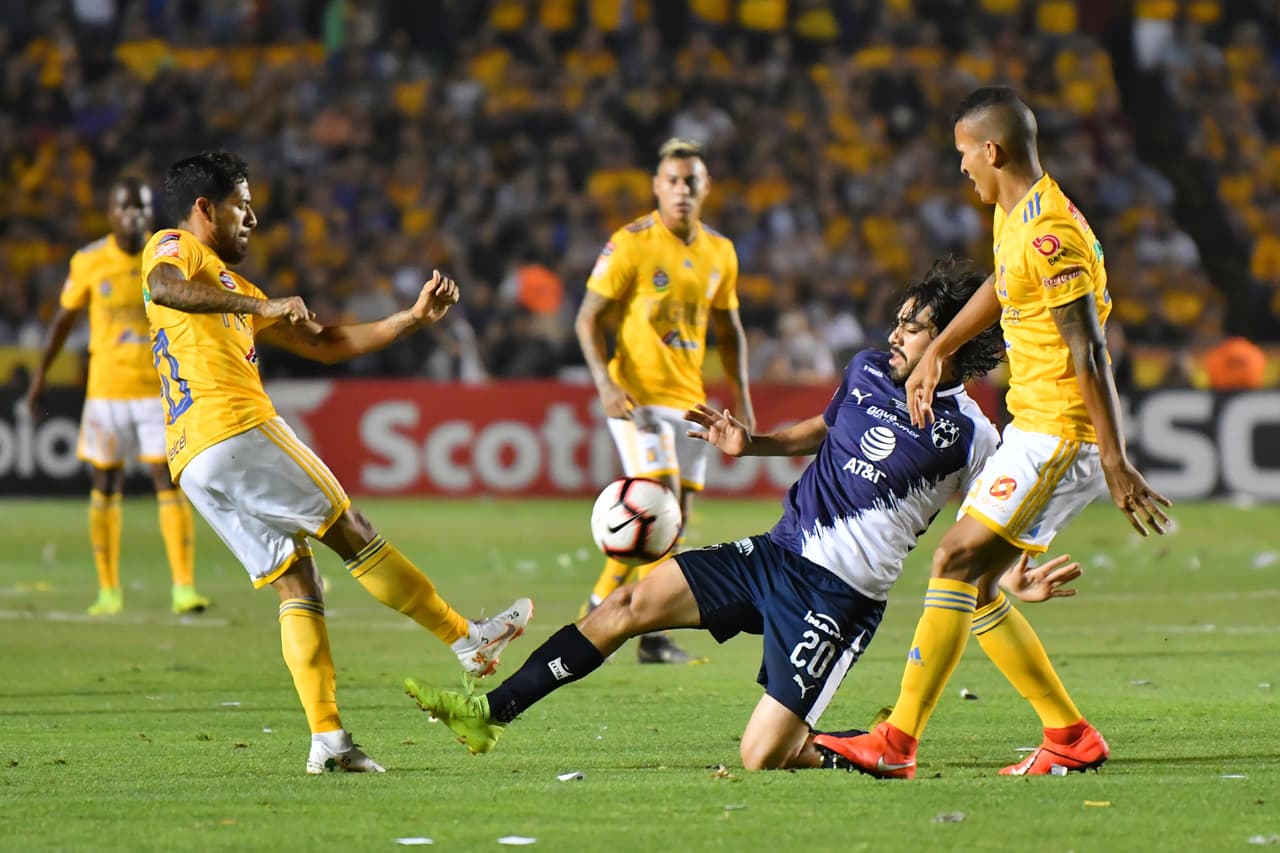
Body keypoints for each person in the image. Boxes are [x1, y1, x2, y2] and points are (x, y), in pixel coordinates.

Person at [403, 259, 1082, 770]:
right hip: (776, 554)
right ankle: (488, 714)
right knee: (626, 604)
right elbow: (822, 428)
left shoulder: (972, 434)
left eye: (913, 323)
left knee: (763, 755)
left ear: (951, 339)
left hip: (839, 599)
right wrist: (750, 443)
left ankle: (841, 747)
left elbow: (982, 528)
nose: (895, 332)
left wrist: (1016, 573)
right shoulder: (868, 369)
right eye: (900, 319)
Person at [815, 87, 1172, 779]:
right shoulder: (1014, 215)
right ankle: (1067, 734)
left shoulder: (1051, 233)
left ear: (992, 150)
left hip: (1061, 429)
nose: (960, 171)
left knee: (953, 560)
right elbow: (1004, 289)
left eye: (962, 156)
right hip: (1032, 423)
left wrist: (1117, 457)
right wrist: (940, 348)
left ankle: (898, 739)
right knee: (973, 584)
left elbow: (1089, 350)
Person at [141, 150, 531, 774]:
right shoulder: (174, 249)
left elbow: (326, 345)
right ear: (204, 209)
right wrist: (258, 310)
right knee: (352, 529)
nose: (254, 217)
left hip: (193, 460)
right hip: (233, 426)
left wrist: (410, 320)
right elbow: (162, 286)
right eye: (242, 205)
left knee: (297, 583)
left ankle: (329, 740)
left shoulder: (235, 288)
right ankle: (469, 639)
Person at [575, 137, 754, 664]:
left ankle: (644, 634)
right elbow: (587, 317)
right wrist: (606, 386)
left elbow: (730, 327)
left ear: (705, 187)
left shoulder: (720, 251)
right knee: (663, 503)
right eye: (672, 180)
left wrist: (741, 392)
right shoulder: (630, 243)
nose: (682, 189)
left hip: (689, 398)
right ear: (657, 187)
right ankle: (597, 619)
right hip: (638, 399)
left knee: (675, 519)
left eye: (691, 181)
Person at [25, 176, 209, 616]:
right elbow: (64, 322)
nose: (133, 217)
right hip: (106, 393)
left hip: (156, 392)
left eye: (141, 209)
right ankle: (108, 591)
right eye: (125, 209)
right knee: (105, 484)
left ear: (151, 213)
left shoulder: (166, 256)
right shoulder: (89, 261)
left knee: (169, 481)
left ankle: (183, 588)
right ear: (110, 213)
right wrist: (39, 378)